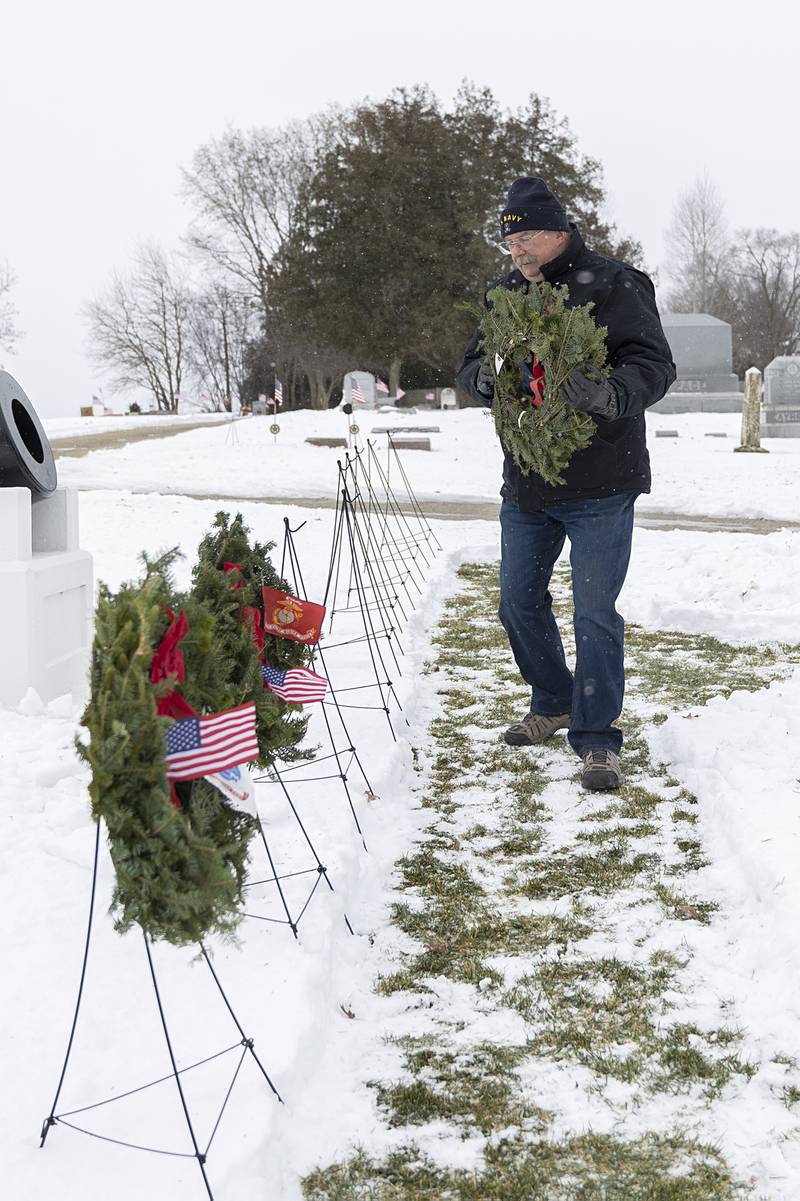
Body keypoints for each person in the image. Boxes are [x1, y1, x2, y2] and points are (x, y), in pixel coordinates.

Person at [456, 178, 676, 791]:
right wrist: (480, 382)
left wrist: (611, 395)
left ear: (559, 233)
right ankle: (551, 701)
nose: (516, 254)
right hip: (527, 482)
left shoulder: (614, 284)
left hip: (603, 482)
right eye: (509, 243)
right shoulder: (504, 291)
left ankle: (598, 738)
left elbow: (655, 365)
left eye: (525, 239)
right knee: (516, 602)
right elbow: (472, 362)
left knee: (595, 612)